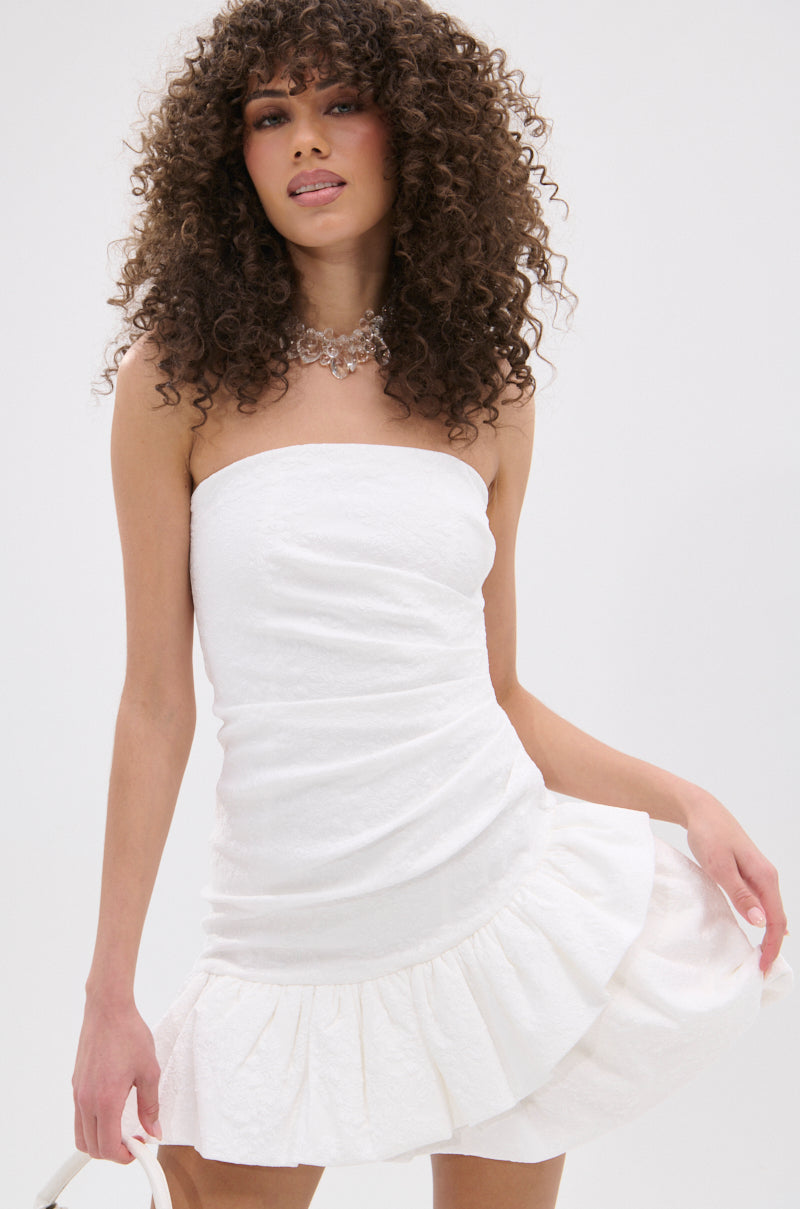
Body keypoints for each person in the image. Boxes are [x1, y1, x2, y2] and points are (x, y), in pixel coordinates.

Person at [71, 1, 793, 1207]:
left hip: (490, 901)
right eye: (269, 116)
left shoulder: (483, 391)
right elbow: (155, 703)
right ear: (230, 157)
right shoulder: (176, 383)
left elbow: (495, 694)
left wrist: (686, 801)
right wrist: (109, 995)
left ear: (415, 132)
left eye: (340, 104)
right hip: (284, 928)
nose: (306, 140)